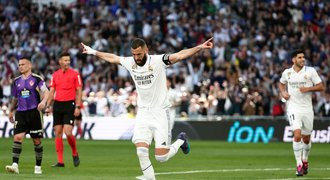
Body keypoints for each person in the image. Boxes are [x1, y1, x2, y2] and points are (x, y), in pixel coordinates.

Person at [81, 37, 213, 180]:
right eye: (134, 54)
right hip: (143, 113)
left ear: (146, 50)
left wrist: (199, 47)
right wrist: (93, 51)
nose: (136, 57)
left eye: (139, 54)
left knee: (161, 157)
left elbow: (180, 55)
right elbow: (112, 58)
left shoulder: (158, 61)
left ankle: (181, 140)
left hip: (160, 112)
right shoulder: (130, 62)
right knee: (141, 152)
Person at [278, 49, 324, 176]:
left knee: (306, 138)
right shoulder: (287, 73)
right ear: (293, 60)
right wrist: (283, 92)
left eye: (303, 57)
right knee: (297, 135)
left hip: (307, 109)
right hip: (293, 108)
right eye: (300, 57)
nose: (303, 59)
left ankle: (305, 160)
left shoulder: (310, 71)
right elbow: (281, 84)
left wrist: (308, 88)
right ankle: (298, 165)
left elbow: (321, 86)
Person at [5, 57, 49, 174]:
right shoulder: (16, 81)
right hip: (20, 112)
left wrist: (43, 102)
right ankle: (15, 165)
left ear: (30, 66)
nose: (20, 66)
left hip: (34, 112)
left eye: (23, 64)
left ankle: (38, 167)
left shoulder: (37, 79)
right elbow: (15, 97)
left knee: (36, 141)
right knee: (18, 138)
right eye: (19, 65)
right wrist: (11, 110)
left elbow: (46, 92)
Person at [45, 52, 82, 167]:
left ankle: (75, 152)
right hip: (57, 105)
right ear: (60, 61)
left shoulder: (75, 74)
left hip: (69, 105)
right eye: (65, 60)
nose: (67, 62)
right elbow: (51, 92)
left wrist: (78, 106)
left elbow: (79, 91)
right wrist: (48, 106)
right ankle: (60, 161)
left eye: (68, 60)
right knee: (58, 133)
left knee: (68, 132)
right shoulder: (55, 75)